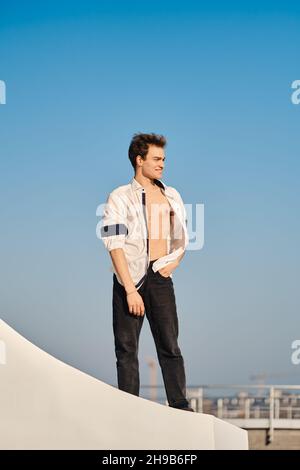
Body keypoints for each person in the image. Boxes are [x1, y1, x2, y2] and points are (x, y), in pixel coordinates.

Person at [100, 132, 193, 411]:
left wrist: (173, 262)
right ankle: (129, 408)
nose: (162, 164)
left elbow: (183, 236)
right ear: (139, 160)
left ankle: (179, 404)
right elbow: (113, 244)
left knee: (170, 346)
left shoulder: (171, 195)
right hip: (129, 278)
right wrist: (129, 289)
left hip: (160, 276)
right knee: (127, 349)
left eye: (163, 158)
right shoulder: (119, 197)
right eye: (156, 158)